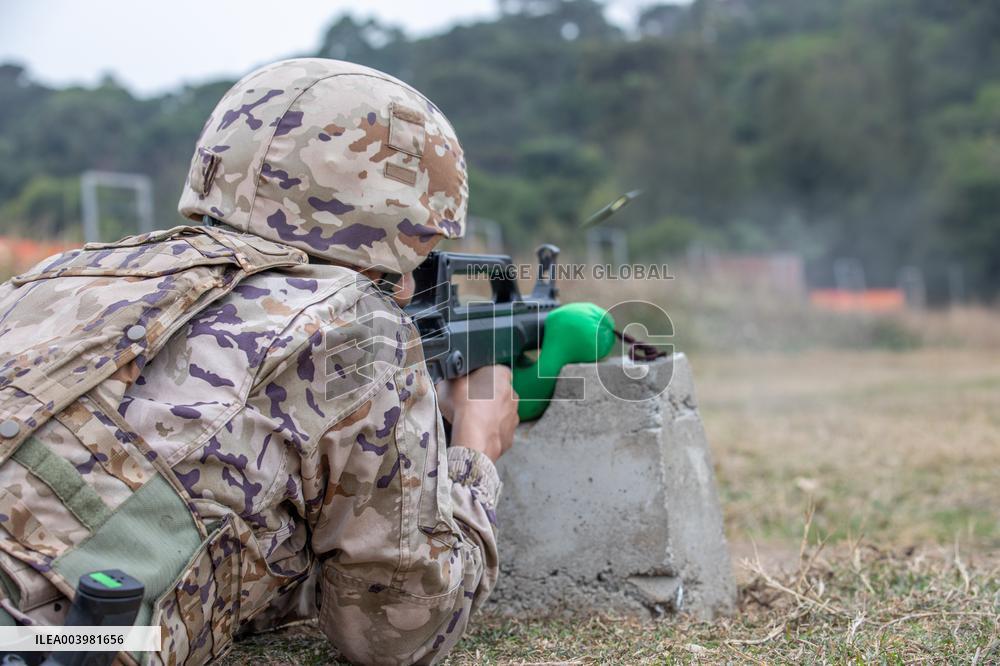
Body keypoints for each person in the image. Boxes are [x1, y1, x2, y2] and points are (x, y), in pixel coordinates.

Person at [0, 58, 518, 665]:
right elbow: (397, 632)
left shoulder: (59, 275)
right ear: (395, 223)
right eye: (424, 245)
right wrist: (476, 453)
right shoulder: (355, 322)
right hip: (40, 645)